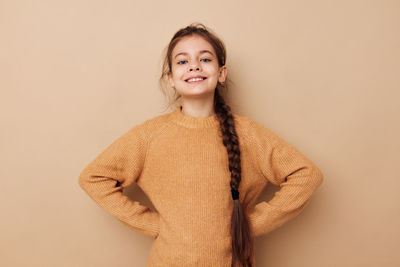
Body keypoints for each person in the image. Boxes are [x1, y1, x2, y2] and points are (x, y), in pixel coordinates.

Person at [78, 22, 324, 267]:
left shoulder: (248, 134)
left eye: (205, 59)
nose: (194, 65)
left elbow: (306, 175)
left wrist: (249, 225)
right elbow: (94, 177)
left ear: (222, 73)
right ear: (171, 78)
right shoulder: (150, 136)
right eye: (182, 61)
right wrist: (154, 225)